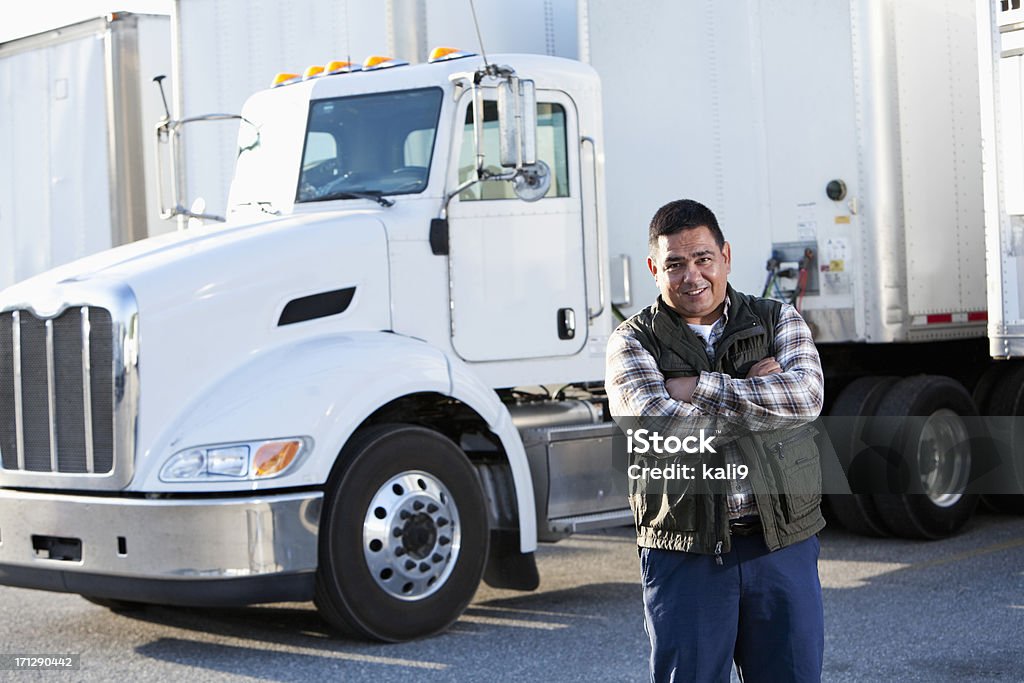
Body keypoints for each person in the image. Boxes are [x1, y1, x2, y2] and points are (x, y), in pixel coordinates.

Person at [605, 199, 826, 682]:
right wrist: (760, 398)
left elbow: (806, 398)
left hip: (780, 543)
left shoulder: (777, 319)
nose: (692, 276)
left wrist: (696, 388)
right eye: (675, 264)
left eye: (703, 258)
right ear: (653, 269)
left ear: (725, 255)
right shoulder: (632, 341)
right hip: (686, 549)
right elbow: (655, 427)